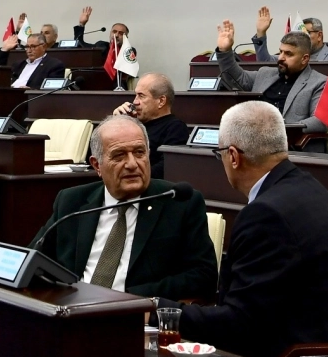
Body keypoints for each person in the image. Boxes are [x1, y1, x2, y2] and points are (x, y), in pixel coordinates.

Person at [37, 115, 216, 300]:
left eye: (139, 153)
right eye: (119, 155)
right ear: (97, 165)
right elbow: (34, 262)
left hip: (135, 311)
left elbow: (204, 276)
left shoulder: (179, 202)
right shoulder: (71, 202)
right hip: (70, 307)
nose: (132, 164)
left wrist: (129, 298)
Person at [212, 20, 328, 141]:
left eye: (288, 54)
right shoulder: (265, 74)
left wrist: (278, 130)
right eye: (281, 52)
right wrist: (225, 51)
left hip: (291, 144)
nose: (281, 58)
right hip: (255, 141)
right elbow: (236, 78)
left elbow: (320, 121)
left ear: (304, 59)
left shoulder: (319, 82)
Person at [112, 73, 188, 178]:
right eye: (135, 95)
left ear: (161, 101)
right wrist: (117, 123)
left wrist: (133, 176)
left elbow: (166, 167)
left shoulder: (176, 128)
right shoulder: (134, 124)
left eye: (141, 96)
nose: (135, 102)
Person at [251, 8, 328, 62]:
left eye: (307, 33)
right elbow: (264, 62)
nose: (303, 38)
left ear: (319, 36)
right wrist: (261, 33)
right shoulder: (290, 56)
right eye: (300, 34)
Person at [3, 28, 67, 88]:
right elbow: (1, 74)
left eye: (33, 46)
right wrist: (4, 50)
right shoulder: (19, 64)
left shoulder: (54, 65)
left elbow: (51, 90)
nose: (29, 50)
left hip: (29, 95)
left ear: (44, 47)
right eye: (27, 47)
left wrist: (31, 90)